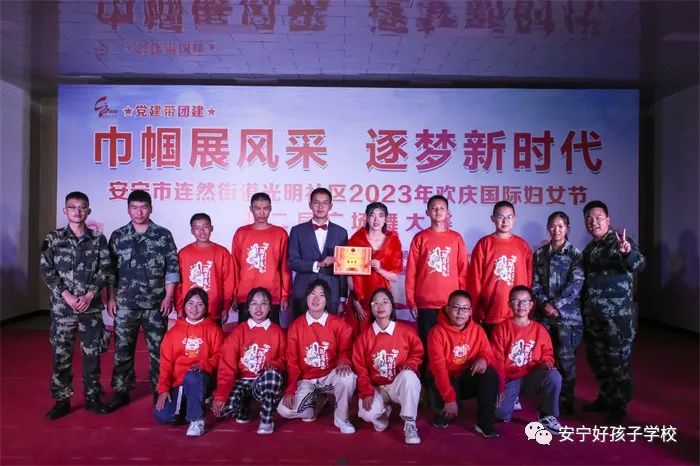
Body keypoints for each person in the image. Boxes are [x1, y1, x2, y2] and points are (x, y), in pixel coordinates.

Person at [39, 191, 112, 419]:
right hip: (63, 308)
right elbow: (46, 269)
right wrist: (67, 295)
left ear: (88, 211)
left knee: (92, 353)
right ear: (65, 210)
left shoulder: (98, 239)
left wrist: (90, 295)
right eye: (72, 207)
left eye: (82, 207)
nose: (77, 211)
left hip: (91, 307)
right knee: (61, 353)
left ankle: (92, 396)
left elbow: (105, 269)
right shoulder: (54, 238)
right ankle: (62, 399)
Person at [106, 189, 180, 411]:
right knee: (122, 350)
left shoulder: (163, 235)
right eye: (134, 207)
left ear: (151, 208)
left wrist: (168, 297)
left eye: (143, 207)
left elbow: (172, 268)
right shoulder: (118, 236)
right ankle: (121, 391)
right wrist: (111, 297)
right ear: (128, 209)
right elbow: (111, 272)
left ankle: (160, 389)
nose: (139, 212)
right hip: (125, 304)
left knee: (159, 351)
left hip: (155, 305)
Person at [580, 200, 646, 424]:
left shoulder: (620, 241)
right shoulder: (589, 249)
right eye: (589, 219)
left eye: (598, 218)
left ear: (608, 220)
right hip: (593, 316)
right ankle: (605, 397)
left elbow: (638, 263)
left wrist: (627, 253)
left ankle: (620, 405)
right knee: (597, 359)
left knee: (617, 362)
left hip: (617, 319)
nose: (594, 222)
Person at [276, 279, 356, 434]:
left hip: (330, 375)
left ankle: (342, 418)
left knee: (348, 377)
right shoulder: (296, 326)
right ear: (306, 297)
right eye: (312, 294)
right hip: (307, 379)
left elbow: (346, 349)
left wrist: (343, 361)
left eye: (321, 295)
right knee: (284, 410)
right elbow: (292, 362)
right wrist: (290, 389)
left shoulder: (338, 324)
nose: (316, 298)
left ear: (327, 300)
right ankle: (318, 402)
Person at [352, 288, 423, 444]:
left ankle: (410, 424)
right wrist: (366, 390)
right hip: (377, 387)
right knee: (367, 414)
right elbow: (360, 369)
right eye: (375, 303)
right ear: (370, 308)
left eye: (385, 302)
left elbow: (417, 353)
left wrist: (411, 363)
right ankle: (384, 413)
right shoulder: (363, 338)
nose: (380, 306)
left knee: (409, 376)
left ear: (392, 306)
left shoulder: (406, 332)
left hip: (398, 385)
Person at [212, 288, 286, 435]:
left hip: (263, 381)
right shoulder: (239, 331)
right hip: (243, 381)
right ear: (248, 308)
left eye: (263, 303)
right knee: (224, 409)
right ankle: (243, 409)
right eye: (254, 304)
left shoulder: (277, 331)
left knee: (272, 377)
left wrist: (276, 364)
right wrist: (220, 394)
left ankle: (266, 419)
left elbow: (284, 359)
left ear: (270, 307)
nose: (258, 308)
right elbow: (227, 364)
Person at [427, 290, 500, 438]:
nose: (460, 312)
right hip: (445, 378)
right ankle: (446, 405)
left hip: (466, 376)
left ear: (470, 311)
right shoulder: (436, 332)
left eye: (465, 308)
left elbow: (488, 353)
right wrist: (449, 399)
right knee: (445, 416)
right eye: (456, 307)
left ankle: (484, 423)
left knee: (490, 373)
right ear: (447, 308)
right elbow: (438, 368)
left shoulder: (478, 330)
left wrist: (483, 359)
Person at [490, 286, 562, 435]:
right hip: (509, 378)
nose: (521, 304)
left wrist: (546, 364)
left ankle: (547, 414)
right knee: (501, 414)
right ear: (509, 304)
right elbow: (496, 361)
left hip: (531, 376)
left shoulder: (539, 330)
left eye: (525, 301)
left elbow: (547, 355)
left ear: (531, 305)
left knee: (554, 376)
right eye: (516, 301)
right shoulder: (501, 329)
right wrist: (500, 386)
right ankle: (512, 397)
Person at [532, 211, 584, 415]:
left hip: (567, 317)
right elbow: (535, 282)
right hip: (544, 315)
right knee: (546, 358)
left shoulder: (575, 254)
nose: (556, 230)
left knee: (566, 359)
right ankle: (549, 398)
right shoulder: (540, 253)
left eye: (560, 226)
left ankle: (567, 399)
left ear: (567, 228)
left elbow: (576, 284)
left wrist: (556, 305)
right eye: (553, 226)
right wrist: (545, 304)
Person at [153, 288, 223, 437]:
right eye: (190, 303)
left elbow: (220, 356)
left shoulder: (213, 330)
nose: (194, 308)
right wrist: (163, 389)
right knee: (162, 415)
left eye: (199, 304)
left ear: (206, 307)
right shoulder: (173, 333)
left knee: (192, 376)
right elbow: (165, 363)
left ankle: (197, 420)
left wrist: (204, 365)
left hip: (202, 378)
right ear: (184, 305)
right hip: (179, 384)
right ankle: (191, 404)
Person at [405, 195, 468, 353]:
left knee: (451, 348)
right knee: (427, 348)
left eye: (441, 208)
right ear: (427, 212)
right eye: (434, 208)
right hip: (425, 304)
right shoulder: (420, 238)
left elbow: (463, 272)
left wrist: (464, 302)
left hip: (451, 305)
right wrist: (411, 301)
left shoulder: (456, 238)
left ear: (448, 212)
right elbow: (411, 271)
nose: (438, 211)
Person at [468, 201, 532, 335]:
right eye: (500, 217)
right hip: (491, 311)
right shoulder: (484, 244)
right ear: (493, 218)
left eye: (509, 217)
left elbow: (529, 276)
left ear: (514, 218)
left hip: (518, 312)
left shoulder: (522, 245)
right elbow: (475, 278)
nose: (505, 221)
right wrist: (476, 306)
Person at [231, 193, 292, 325]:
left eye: (265, 208)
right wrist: (234, 295)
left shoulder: (280, 234)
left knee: (271, 334)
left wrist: (285, 294)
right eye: (257, 208)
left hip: (272, 296)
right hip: (245, 295)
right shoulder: (241, 233)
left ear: (270, 209)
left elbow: (285, 267)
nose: (262, 212)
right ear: (251, 209)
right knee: (245, 334)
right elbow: (235, 266)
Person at [288, 188, 348, 318]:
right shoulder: (297, 231)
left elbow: (344, 269)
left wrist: (343, 298)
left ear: (330, 206)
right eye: (316, 202)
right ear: (310, 205)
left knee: (330, 328)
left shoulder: (341, 232)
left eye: (325, 203)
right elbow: (292, 262)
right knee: (301, 328)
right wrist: (318, 264)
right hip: (303, 291)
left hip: (332, 292)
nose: (320, 207)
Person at [346, 202, 403, 337]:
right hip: (359, 299)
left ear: (386, 219)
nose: (376, 219)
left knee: (380, 337)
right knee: (357, 337)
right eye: (372, 215)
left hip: (382, 299)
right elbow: (349, 275)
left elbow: (395, 276)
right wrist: (356, 303)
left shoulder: (393, 242)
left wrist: (380, 270)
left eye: (380, 216)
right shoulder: (356, 240)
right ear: (367, 218)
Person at [176, 213, 234, 325]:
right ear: (192, 231)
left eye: (205, 227)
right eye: (197, 228)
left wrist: (226, 307)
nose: (202, 232)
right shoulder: (183, 253)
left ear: (211, 228)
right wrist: (179, 308)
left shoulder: (222, 252)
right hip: (190, 311)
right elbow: (178, 284)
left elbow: (228, 282)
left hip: (214, 310)